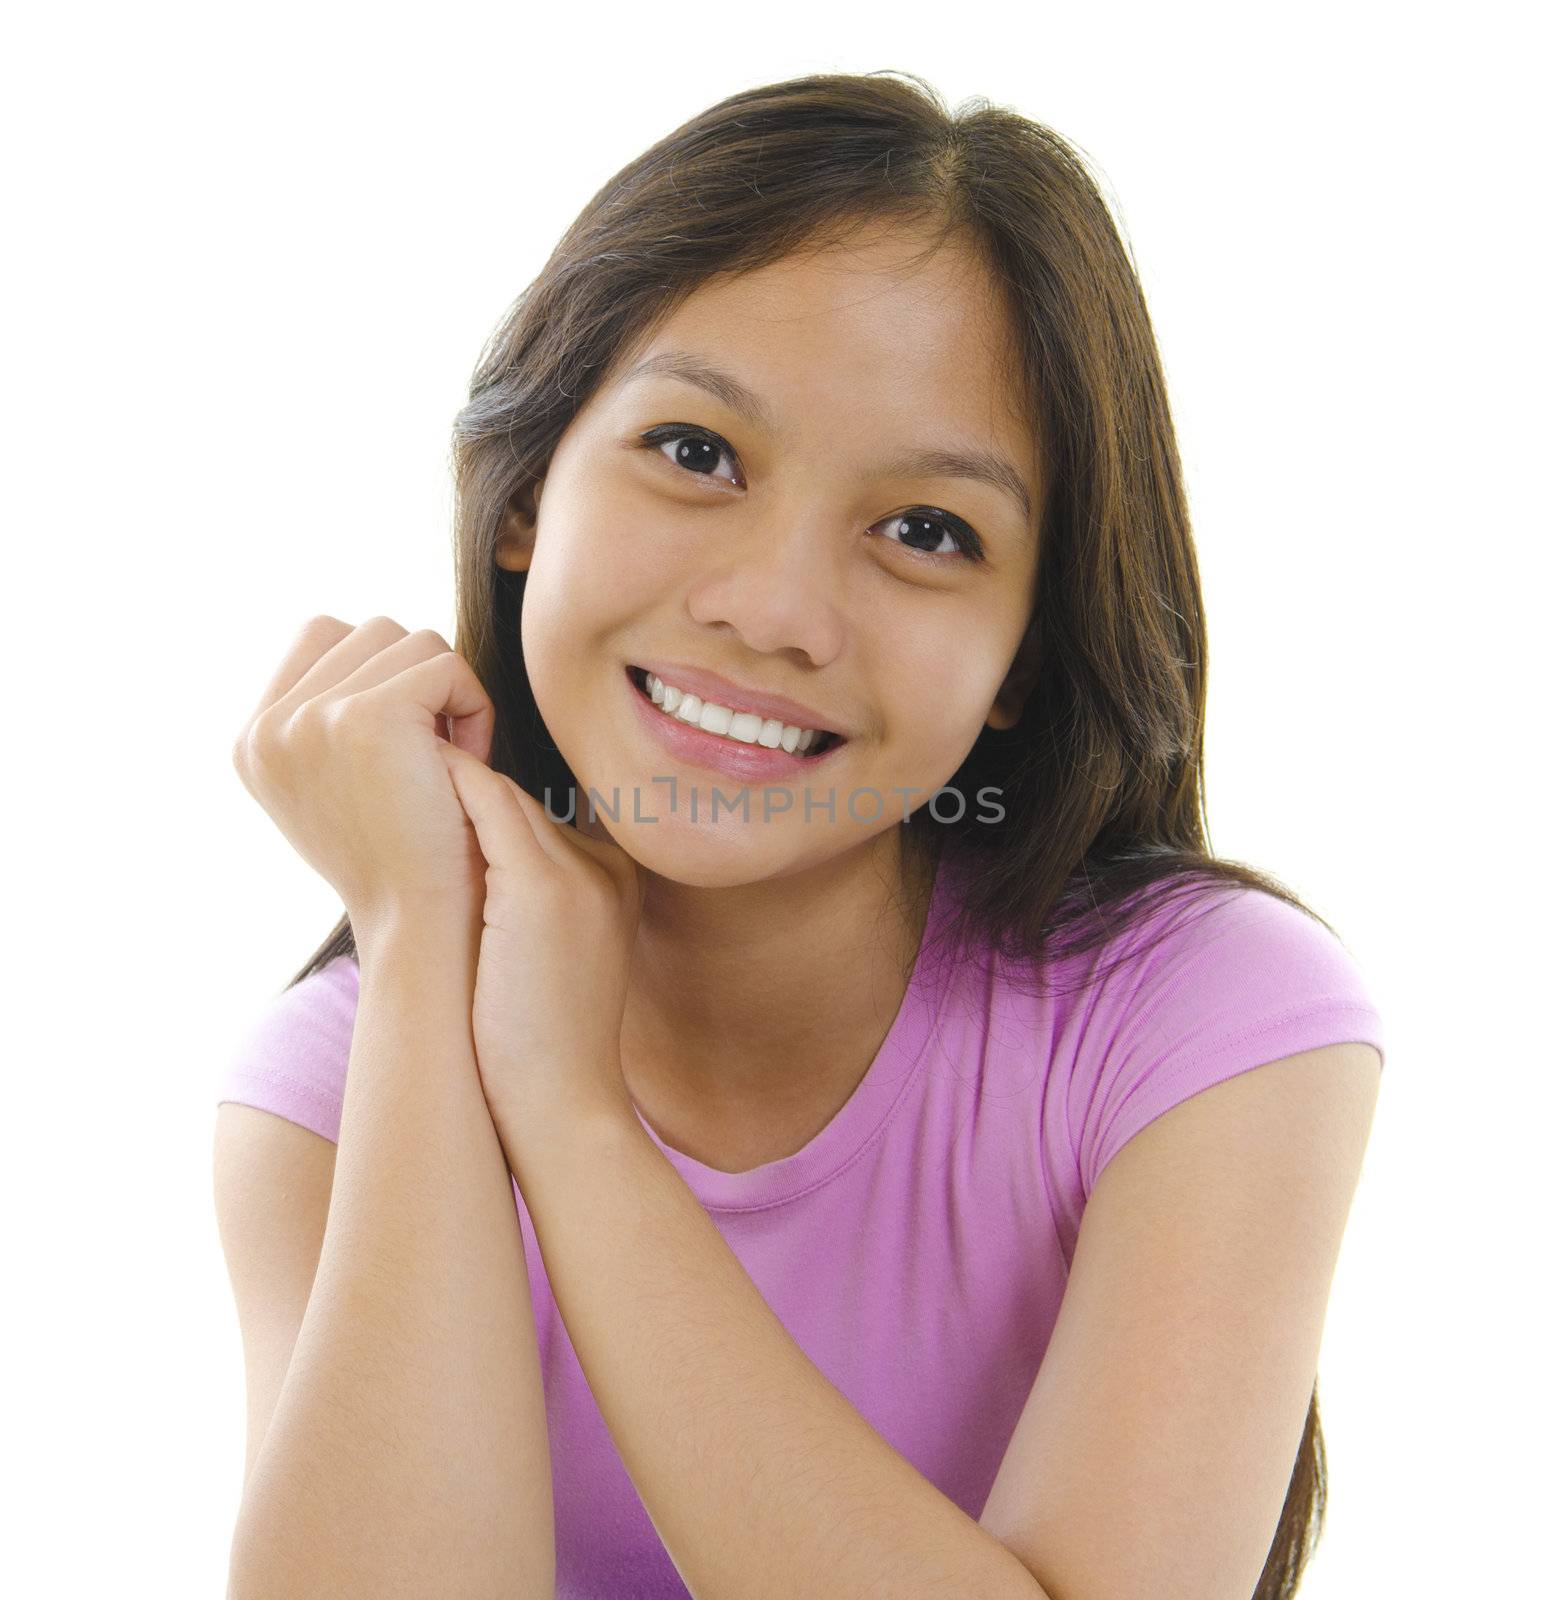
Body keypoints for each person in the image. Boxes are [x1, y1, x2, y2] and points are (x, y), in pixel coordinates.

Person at [212, 70, 1386, 1600]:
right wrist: (423, 939)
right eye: (695, 452)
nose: (770, 609)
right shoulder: (334, 1087)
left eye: (925, 532)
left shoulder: (1204, 1021)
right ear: (523, 495)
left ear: (1026, 658)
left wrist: (571, 1119)